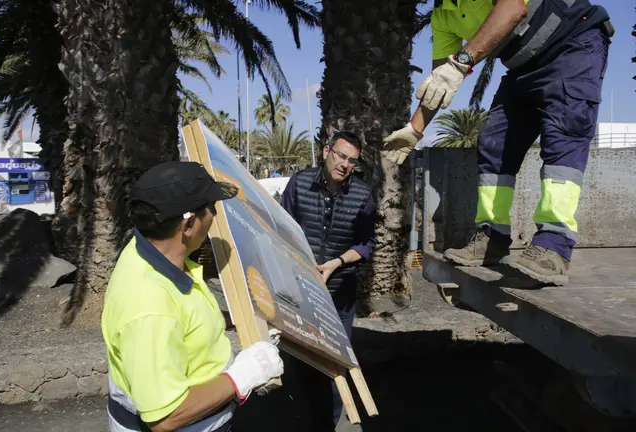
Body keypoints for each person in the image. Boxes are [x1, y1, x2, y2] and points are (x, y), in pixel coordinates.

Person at [383, 0, 612, 285]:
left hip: (572, 45)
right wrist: (413, 131)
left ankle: (554, 245)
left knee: (562, 136)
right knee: (494, 141)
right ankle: (492, 236)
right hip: (523, 66)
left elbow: (513, 8)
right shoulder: (443, 17)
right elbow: (441, 80)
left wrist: (462, 61)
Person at [102, 161, 284, 432]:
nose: (214, 215)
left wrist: (240, 321)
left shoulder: (154, 251)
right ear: (187, 225)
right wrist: (243, 375)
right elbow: (165, 417)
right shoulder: (148, 305)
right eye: (210, 209)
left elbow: (183, 322)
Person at [280, 130, 376, 429]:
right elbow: (280, 228)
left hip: (339, 297)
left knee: (335, 366)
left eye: (352, 161)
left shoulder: (363, 195)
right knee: (301, 362)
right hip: (300, 293)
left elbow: (368, 244)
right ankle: (303, 419)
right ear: (326, 152)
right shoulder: (299, 184)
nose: (345, 164)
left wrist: (336, 263)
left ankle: (330, 423)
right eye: (341, 156)